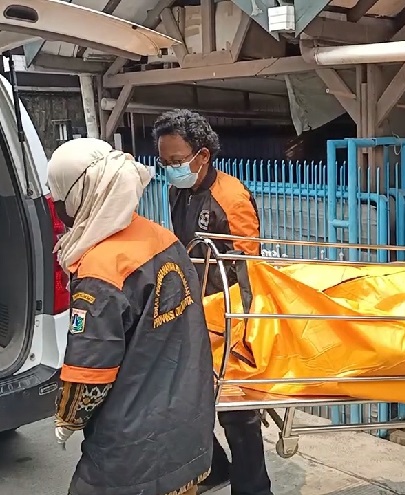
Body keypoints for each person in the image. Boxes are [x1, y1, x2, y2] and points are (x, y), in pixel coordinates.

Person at [48, 138, 215, 495]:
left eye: (58, 193)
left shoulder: (101, 268)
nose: (56, 204)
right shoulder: (160, 237)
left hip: (134, 452)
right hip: (188, 428)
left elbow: (90, 372)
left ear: (80, 195)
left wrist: (68, 417)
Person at [153, 109, 272, 495]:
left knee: (238, 413)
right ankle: (215, 468)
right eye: (164, 162)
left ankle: (254, 488)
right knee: (189, 398)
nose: (170, 169)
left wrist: (246, 331)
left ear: (202, 156)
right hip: (196, 309)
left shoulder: (232, 199)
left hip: (229, 314)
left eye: (176, 161)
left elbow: (248, 270)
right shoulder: (179, 191)